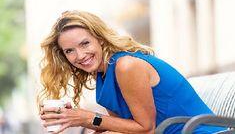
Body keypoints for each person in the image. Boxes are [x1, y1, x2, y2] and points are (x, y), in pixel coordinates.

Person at [39, 10, 226, 134]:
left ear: (100, 39)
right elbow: (123, 128)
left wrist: (86, 117)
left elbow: (146, 129)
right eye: (69, 51)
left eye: (85, 43)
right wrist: (73, 119)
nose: (79, 55)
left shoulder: (126, 66)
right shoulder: (103, 76)